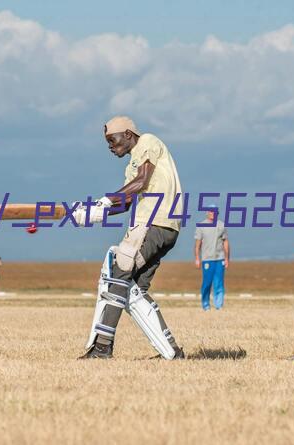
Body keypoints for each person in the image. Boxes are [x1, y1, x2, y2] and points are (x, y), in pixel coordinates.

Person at [75, 116, 185, 360]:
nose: (111, 147)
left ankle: (102, 347)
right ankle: (172, 353)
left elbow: (141, 181)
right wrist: (91, 213)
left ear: (127, 134)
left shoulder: (147, 141)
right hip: (165, 227)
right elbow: (126, 201)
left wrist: (106, 199)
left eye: (112, 141)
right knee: (133, 291)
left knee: (117, 274)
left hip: (152, 223)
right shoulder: (131, 166)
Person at [194, 206, 230, 310]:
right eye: (211, 211)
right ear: (207, 213)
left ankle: (219, 305)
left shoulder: (222, 225)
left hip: (220, 258)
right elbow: (197, 244)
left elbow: (226, 242)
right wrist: (197, 258)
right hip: (207, 259)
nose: (213, 213)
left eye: (215, 212)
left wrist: (227, 258)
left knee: (219, 283)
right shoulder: (201, 226)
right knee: (207, 283)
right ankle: (205, 305)